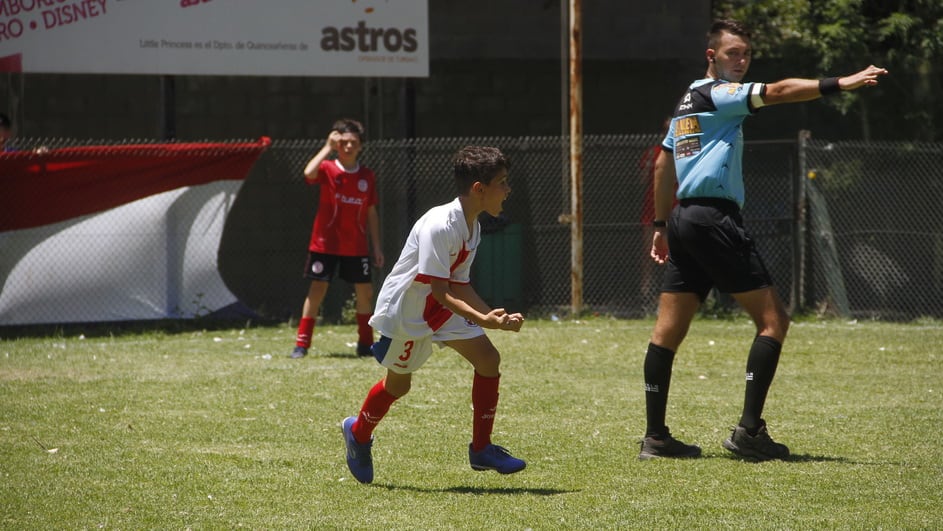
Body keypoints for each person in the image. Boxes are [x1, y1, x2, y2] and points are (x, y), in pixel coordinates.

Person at [638, 19, 887, 461]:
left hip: (684, 218)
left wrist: (661, 226)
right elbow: (776, 92)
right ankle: (749, 433)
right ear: (711, 56)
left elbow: (663, 163)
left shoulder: (686, 102)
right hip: (713, 218)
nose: (742, 60)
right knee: (774, 322)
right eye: (733, 53)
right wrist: (840, 83)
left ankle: (655, 437)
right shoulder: (718, 93)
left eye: (746, 54)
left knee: (666, 334)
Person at [341, 145, 526, 484]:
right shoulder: (440, 226)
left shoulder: (473, 227)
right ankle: (359, 431)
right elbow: (441, 291)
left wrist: (493, 318)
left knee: (488, 358)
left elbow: (460, 284)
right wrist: (484, 320)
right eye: (502, 182)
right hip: (410, 314)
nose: (508, 189)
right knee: (399, 385)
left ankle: (481, 449)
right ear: (479, 190)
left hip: (442, 308)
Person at [291, 118, 384, 359]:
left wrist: (376, 247)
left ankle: (365, 344)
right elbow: (308, 173)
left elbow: (371, 212)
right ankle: (301, 344)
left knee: (365, 292)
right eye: (343, 142)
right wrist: (326, 147)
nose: (348, 147)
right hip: (325, 244)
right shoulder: (328, 168)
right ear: (336, 144)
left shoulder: (367, 176)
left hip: (356, 246)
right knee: (317, 289)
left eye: (353, 142)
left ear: (360, 146)